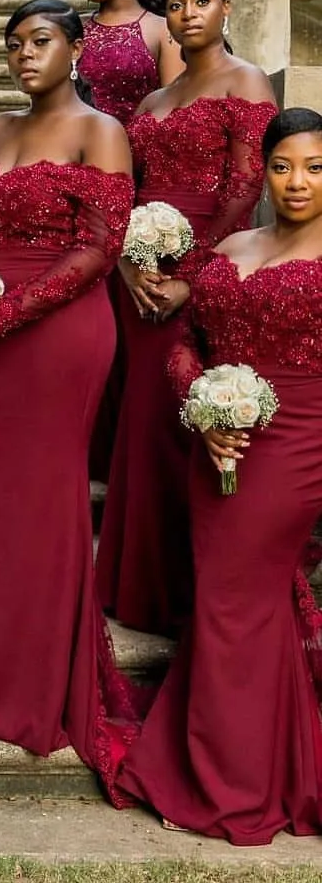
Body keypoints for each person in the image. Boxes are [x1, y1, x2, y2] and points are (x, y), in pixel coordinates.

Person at [0, 0, 140, 782]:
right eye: (12, 46)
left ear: (75, 48)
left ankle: (31, 683)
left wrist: (3, 314)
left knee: (42, 498)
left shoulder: (98, 131)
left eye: (39, 41)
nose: (23, 56)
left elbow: (99, 249)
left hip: (60, 333)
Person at [114, 108, 322, 844]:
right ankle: (247, 763)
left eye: (315, 167)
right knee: (223, 602)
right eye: (282, 166)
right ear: (261, 170)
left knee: (239, 600)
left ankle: (233, 786)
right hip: (213, 444)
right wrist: (201, 411)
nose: (296, 181)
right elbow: (182, 348)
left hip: (298, 447)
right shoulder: (232, 243)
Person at [95, 0, 278, 637]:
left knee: (183, 421)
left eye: (201, 1)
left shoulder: (246, 80)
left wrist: (188, 278)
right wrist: (126, 265)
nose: (188, 14)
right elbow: (128, 196)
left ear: (226, 7)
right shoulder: (149, 103)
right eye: (174, 5)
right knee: (141, 424)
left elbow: (242, 188)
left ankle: (185, 589)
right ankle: (134, 585)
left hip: (206, 270)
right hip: (142, 279)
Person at [69, 0, 182, 482]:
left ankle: (131, 462)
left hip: (145, 199)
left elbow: (175, 122)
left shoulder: (161, 30)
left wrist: (144, 214)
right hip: (85, 197)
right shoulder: (75, 36)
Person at [71, 0, 182, 126]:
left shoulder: (163, 30)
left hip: (137, 154)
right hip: (76, 152)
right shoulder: (73, 28)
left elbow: (172, 115)